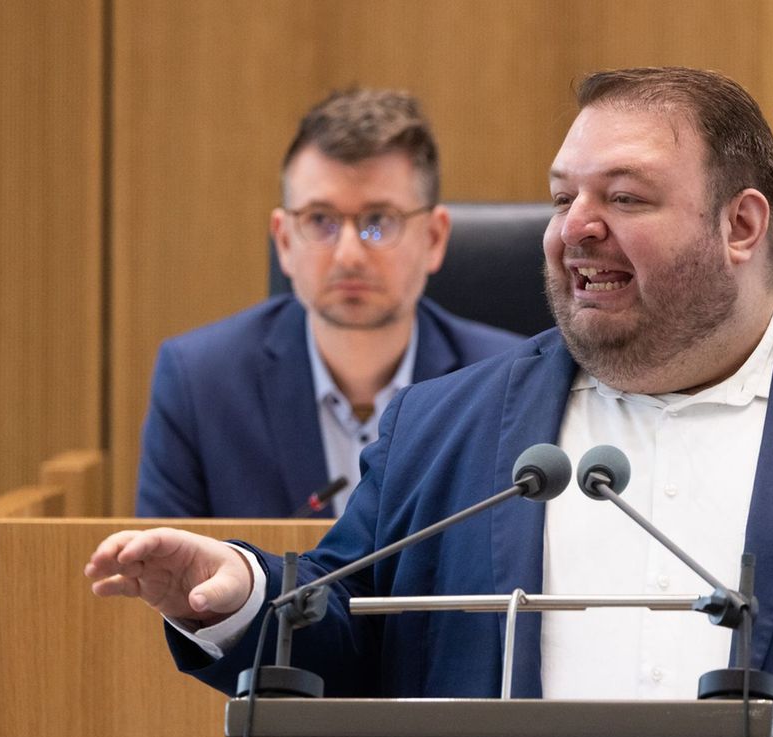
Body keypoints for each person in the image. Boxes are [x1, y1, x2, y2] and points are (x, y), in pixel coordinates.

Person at [89, 67, 773, 737]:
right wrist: (240, 599)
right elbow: (353, 617)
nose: (575, 227)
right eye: (563, 195)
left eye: (624, 197)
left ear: (741, 226)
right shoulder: (445, 421)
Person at [135, 88, 524, 518]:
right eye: (321, 221)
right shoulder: (199, 382)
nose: (349, 254)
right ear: (284, 240)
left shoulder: (507, 384)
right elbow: (168, 578)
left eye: (378, 222)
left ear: (434, 239)